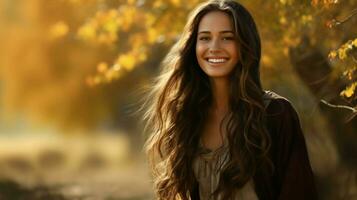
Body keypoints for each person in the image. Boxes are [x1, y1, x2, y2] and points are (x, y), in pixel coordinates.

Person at [143, 0, 318, 199]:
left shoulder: (276, 114)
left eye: (227, 38)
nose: (214, 47)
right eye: (205, 38)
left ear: (245, 45)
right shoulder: (186, 117)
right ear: (193, 46)